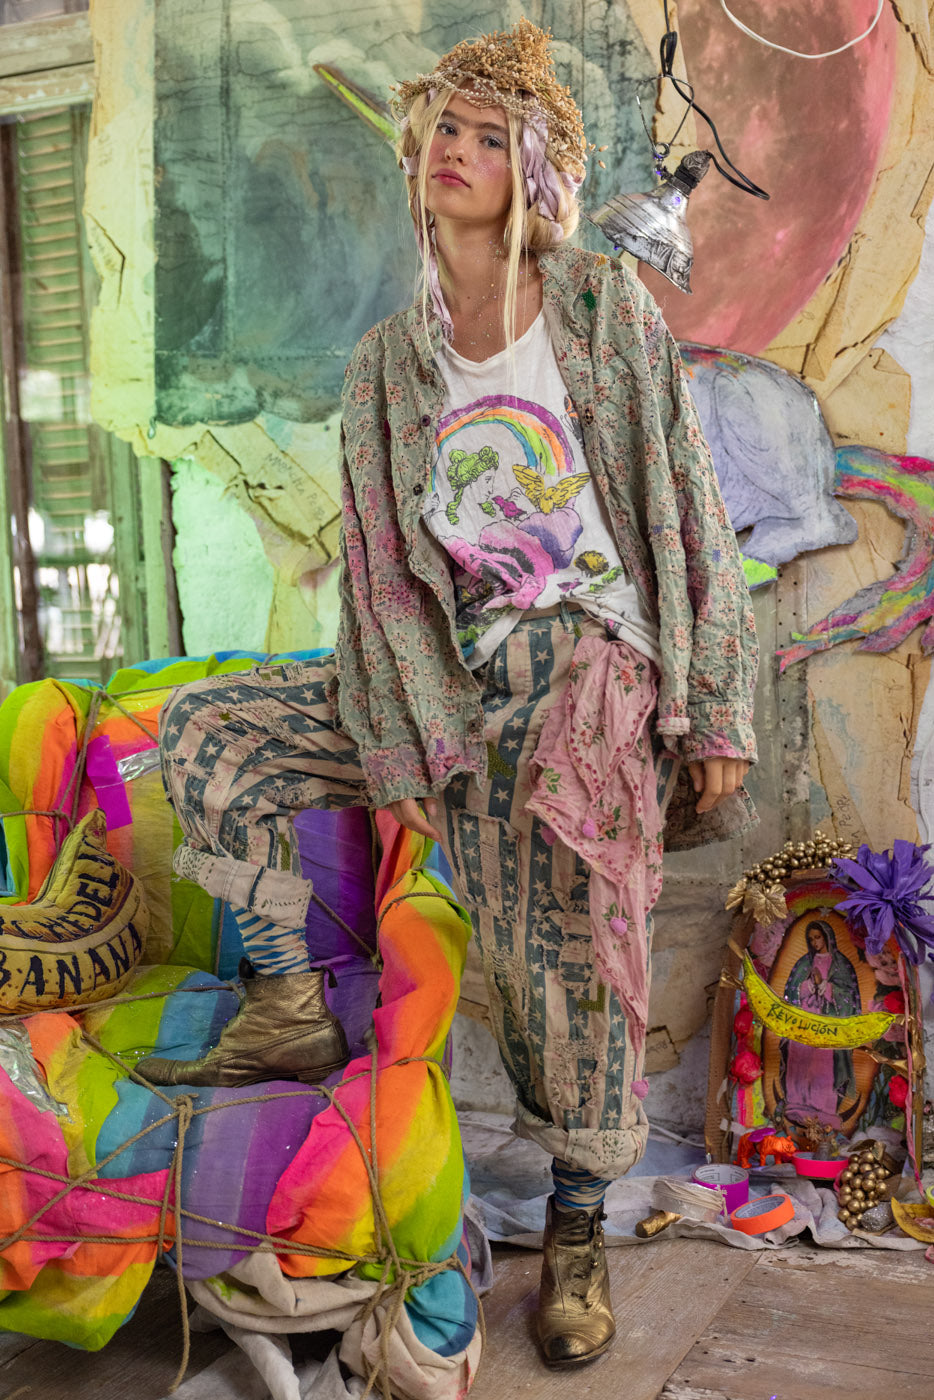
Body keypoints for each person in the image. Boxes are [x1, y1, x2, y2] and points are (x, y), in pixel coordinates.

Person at [138, 19, 758, 1368]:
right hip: (434, 684)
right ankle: (290, 996)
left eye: (490, 137)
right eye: (444, 136)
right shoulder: (385, 369)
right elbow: (382, 588)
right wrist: (412, 744)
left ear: (536, 168)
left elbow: (687, 513)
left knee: (564, 927)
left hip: (581, 673)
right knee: (209, 732)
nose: (456, 157)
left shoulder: (602, 315)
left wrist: (710, 707)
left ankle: (579, 1219)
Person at [781, 919, 860, 1126]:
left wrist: (827, 987)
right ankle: (797, 1104)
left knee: (822, 1066)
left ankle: (823, 1109)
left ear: (827, 936)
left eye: (818, 937)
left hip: (828, 1024)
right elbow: (790, 993)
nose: (815, 942)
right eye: (811, 939)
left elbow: (850, 999)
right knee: (799, 1061)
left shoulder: (841, 964)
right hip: (805, 1022)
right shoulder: (804, 963)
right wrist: (807, 986)